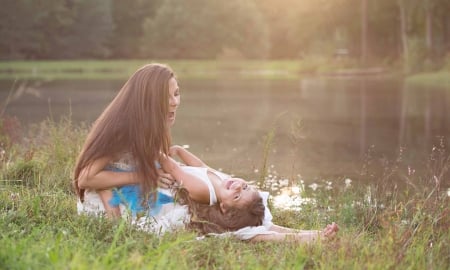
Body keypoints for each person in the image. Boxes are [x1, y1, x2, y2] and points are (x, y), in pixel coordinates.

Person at [73, 63, 180, 217]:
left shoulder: (151, 124)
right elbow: (85, 179)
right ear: (147, 100)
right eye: (165, 97)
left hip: (130, 192)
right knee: (180, 215)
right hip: (106, 203)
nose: (174, 102)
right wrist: (146, 176)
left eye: (176, 94)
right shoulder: (122, 130)